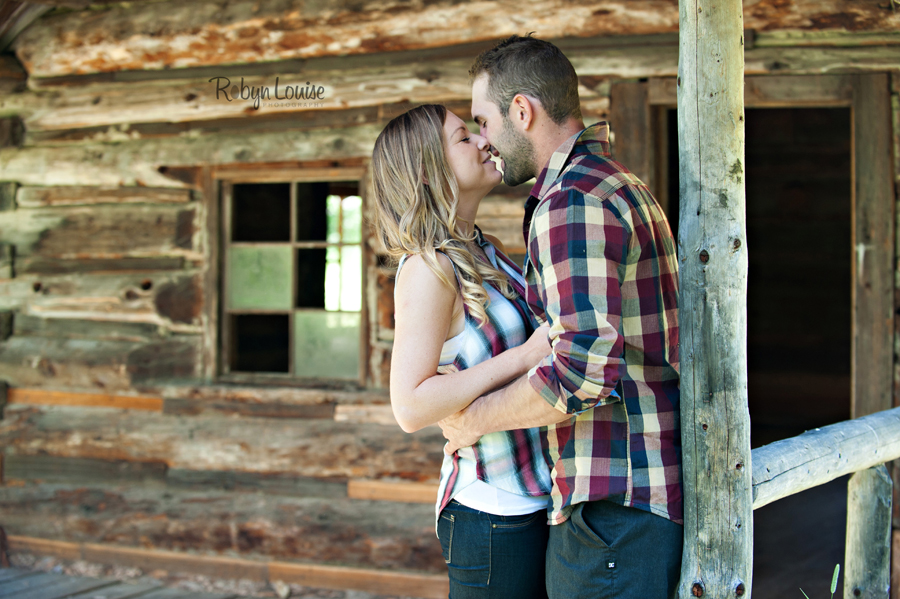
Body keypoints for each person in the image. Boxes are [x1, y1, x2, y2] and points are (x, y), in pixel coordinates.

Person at [438, 35, 684, 599]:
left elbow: (582, 372)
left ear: (521, 111)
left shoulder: (572, 203)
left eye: (483, 120)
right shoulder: (612, 183)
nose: (482, 140)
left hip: (611, 509)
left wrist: (474, 419)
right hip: (627, 504)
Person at [370, 103, 554, 599]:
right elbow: (410, 405)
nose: (482, 140)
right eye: (462, 138)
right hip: (492, 512)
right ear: (429, 171)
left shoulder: (484, 249)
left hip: (540, 497)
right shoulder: (428, 269)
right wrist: (525, 355)